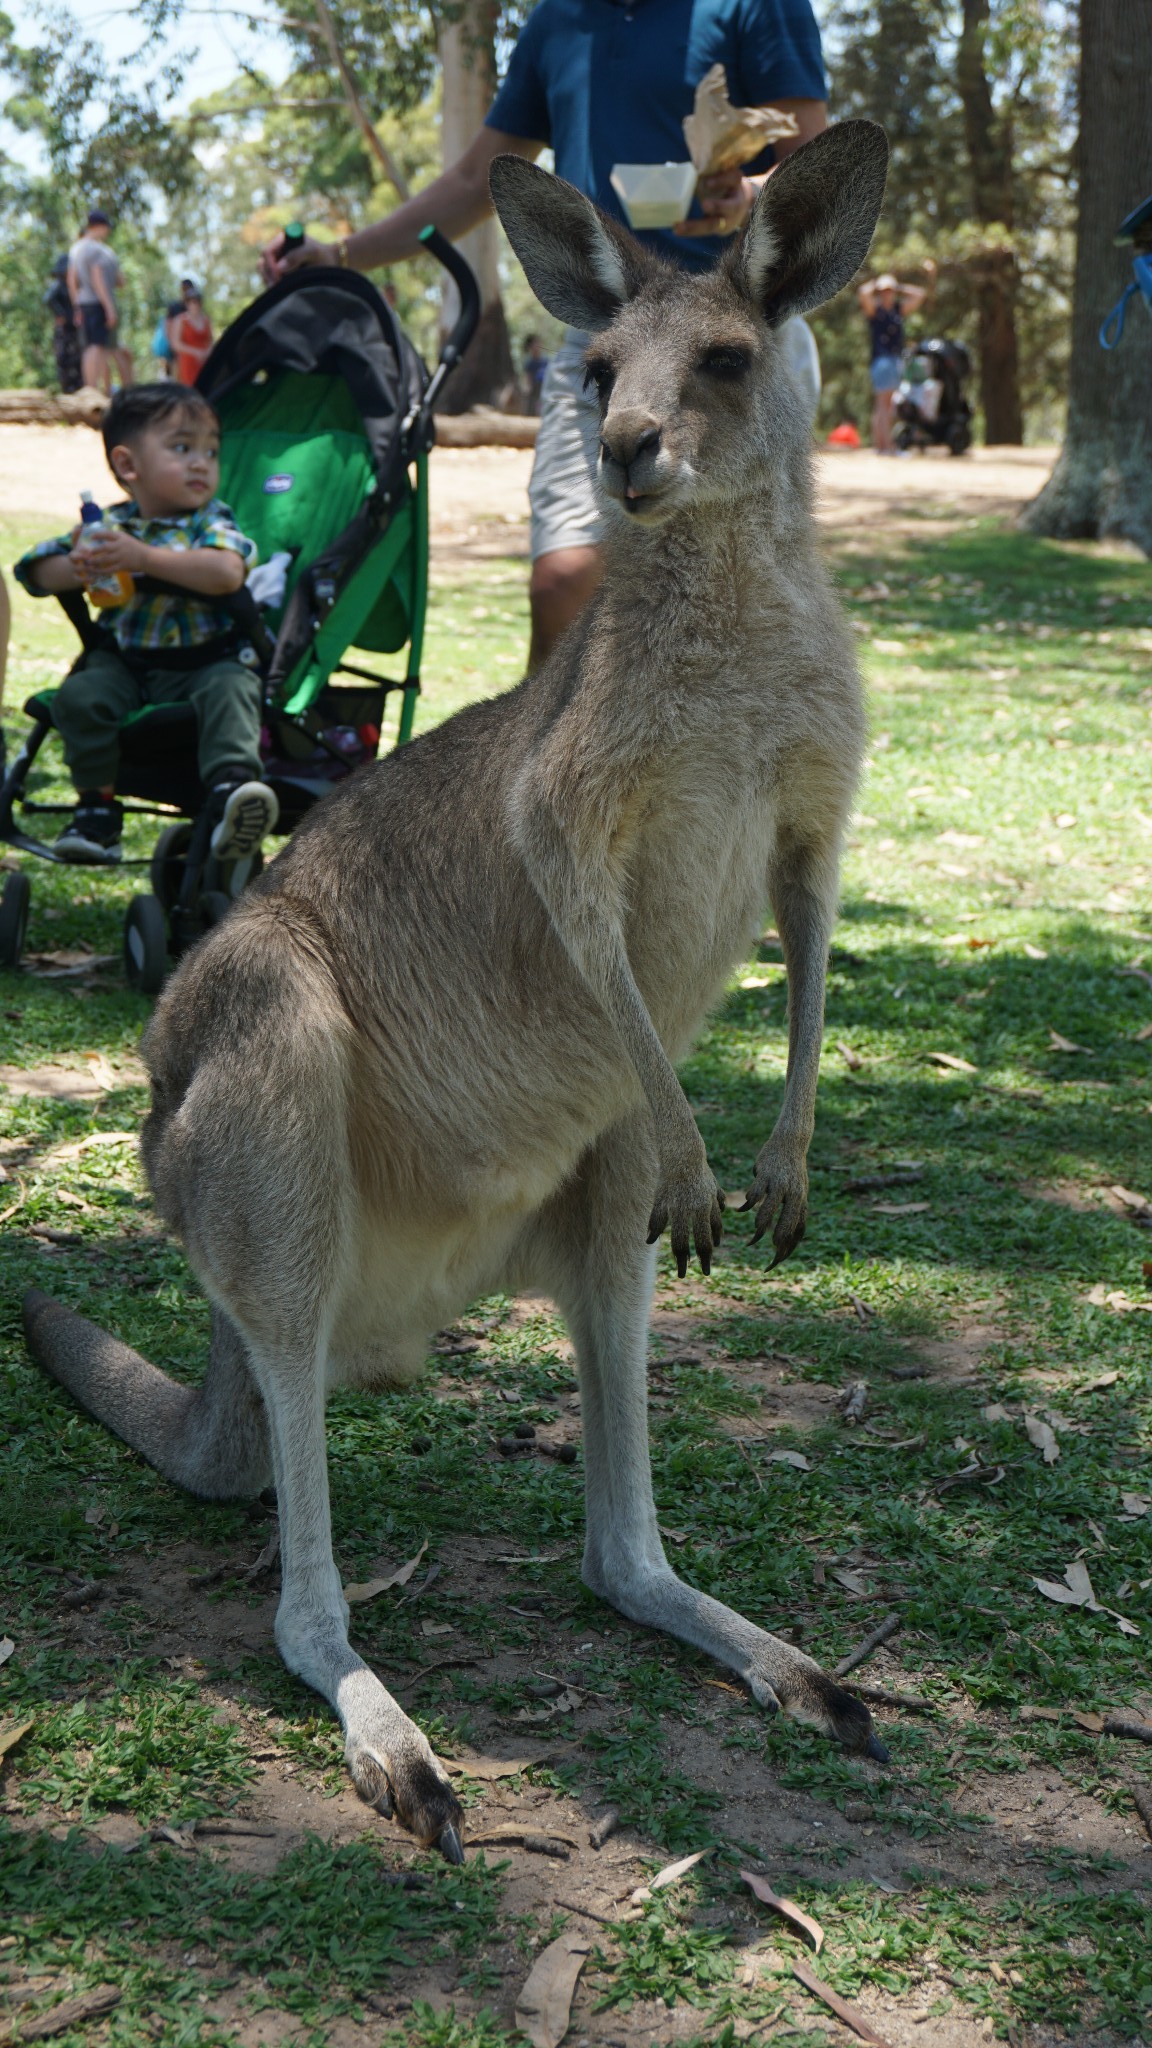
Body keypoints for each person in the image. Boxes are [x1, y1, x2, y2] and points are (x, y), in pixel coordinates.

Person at [261, 0, 828, 670]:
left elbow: (811, 161)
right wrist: (343, 254)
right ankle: (553, 768)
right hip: (610, 329)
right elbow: (477, 178)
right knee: (564, 578)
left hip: (734, 334)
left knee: (731, 582)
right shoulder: (560, 21)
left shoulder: (750, 7)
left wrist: (747, 194)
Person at [14, 383, 278, 867]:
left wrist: (144, 559)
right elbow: (35, 573)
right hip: (126, 665)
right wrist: (83, 562)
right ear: (128, 466)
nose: (201, 462)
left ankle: (233, 798)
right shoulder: (108, 528)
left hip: (204, 663)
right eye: (182, 448)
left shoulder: (211, 521)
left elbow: (226, 572)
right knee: (79, 696)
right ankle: (96, 810)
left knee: (234, 688)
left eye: (211, 450)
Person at [857, 263, 935, 453]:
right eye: (884, 291)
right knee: (884, 405)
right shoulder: (875, 312)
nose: (887, 294)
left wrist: (898, 287)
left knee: (883, 405)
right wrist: (878, 284)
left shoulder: (898, 310)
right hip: (883, 361)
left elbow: (920, 295)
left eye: (890, 291)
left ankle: (881, 446)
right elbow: (862, 292)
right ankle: (887, 447)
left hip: (894, 360)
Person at [67, 208, 134, 395]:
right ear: (100, 226)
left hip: (85, 302)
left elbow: (71, 280)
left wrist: (77, 306)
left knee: (99, 348)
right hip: (100, 303)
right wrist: (109, 308)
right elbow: (99, 279)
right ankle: (92, 391)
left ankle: (100, 392)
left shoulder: (76, 248)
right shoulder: (98, 249)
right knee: (98, 347)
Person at [45, 256, 82, 393]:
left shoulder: (73, 287)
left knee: (78, 359)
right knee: (64, 359)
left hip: (75, 329)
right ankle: (68, 389)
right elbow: (49, 299)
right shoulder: (58, 286)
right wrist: (61, 315)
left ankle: (79, 387)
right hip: (64, 330)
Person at [168, 278, 214, 386]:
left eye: (197, 301)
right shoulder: (180, 320)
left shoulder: (206, 319)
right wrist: (195, 352)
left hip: (204, 361)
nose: (195, 305)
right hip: (187, 363)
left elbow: (211, 339)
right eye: (192, 301)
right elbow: (176, 344)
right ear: (187, 303)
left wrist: (207, 352)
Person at [522, 333, 548, 416]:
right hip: (534, 390)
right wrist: (527, 387)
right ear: (529, 347)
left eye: (538, 343)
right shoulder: (529, 362)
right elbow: (528, 376)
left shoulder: (546, 361)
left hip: (544, 388)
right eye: (535, 343)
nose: (537, 345)